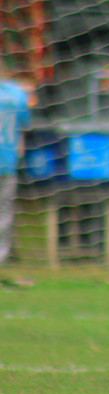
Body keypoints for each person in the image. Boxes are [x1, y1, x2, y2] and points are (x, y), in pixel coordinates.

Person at [0, 62, 30, 264]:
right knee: (4, 210)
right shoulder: (17, 93)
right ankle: (1, 255)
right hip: (7, 160)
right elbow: (25, 122)